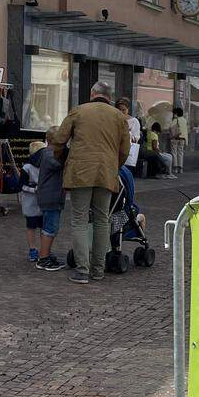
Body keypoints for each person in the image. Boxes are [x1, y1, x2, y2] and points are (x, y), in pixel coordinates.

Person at [53, 81, 131, 284]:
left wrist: (63, 160)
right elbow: (125, 151)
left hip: (80, 172)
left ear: (92, 93)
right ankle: (98, 270)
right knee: (102, 220)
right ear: (109, 97)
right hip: (106, 173)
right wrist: (114, 165)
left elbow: (59, 140)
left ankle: (82, 270)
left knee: (79, 220)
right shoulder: (119, 117)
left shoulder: (78, 111)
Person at [33, 127, 67, 271]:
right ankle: (44, 258)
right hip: (51, 197)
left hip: (48, 197)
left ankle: (44, 253)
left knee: (47, 227)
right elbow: (60, 165)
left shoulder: (46, 154)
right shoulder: (49, 155)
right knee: (50, 229)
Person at [20, 140, 46, 262]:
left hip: (42, 201)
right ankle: (32, 249)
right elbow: (22, 186)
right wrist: (34, 189)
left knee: (42, 227)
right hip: (30, 202)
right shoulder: (27, 168)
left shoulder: (45, 166)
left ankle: (44, 249)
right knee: (31, 226)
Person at [116, 98, 141, 175]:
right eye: (119, 109)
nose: (121, 112)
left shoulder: (134, 121)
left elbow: (136, 137)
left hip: (127, 150)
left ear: (128, 109)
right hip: (115, 149)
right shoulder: (114, 120)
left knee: (126, 173)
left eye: (124, 110)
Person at [169, 107, 188, 175]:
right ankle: (181, 168)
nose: (173, 115)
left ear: (176, 113)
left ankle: (175, 168)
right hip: (182, 138)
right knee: (180, 153)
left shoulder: (176, 120)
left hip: (176, 138)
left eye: (174, 113)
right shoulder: (184, 120)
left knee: (174, 152)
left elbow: (170, 127)